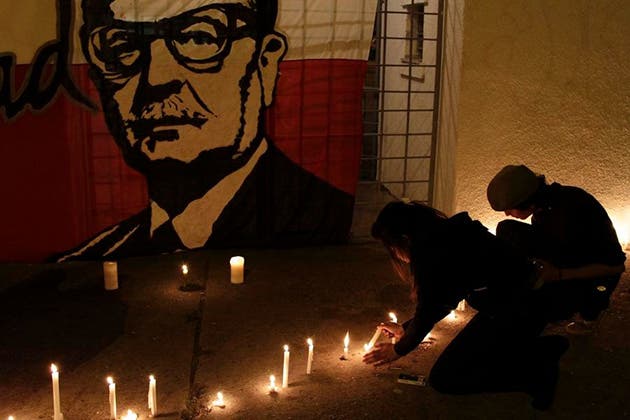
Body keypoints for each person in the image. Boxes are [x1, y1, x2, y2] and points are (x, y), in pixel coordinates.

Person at [53, 0, 353, 262]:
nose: (156, 80)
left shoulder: (323, 218)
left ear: (265, 62)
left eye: (200, 38)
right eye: (121, 47)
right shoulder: (100, 252)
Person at [362, 200, 569, 410]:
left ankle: (536, 370)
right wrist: (405, 329)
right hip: (515, 303)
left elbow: (432, 306)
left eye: (391, 247)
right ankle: (537, 348)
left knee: (447, 378)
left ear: (405, 239)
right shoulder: (449, 234)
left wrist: (398, 349)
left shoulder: (435, 255)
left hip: (520, 309)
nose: (394, 255)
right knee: (472, 357)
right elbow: (443, 300)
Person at [487, 165, 626, 333]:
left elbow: (616, 266)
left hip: (593, 276)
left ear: (528, 202)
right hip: (566, 255)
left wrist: (559, 274)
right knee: (506, 229)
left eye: (510, 208)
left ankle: (587, 311)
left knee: (538, 308)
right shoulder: (543, 208)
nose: (507, 213)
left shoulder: (573, 209)